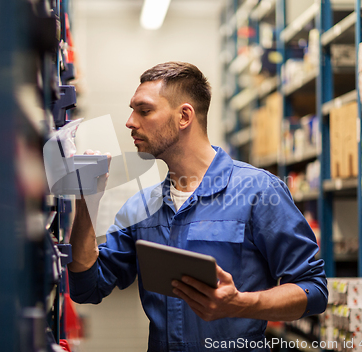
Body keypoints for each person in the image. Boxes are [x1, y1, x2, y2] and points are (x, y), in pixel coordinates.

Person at [68, 62, 327, 352]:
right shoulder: (142, 206)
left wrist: (241, 304)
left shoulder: (259, 192)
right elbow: (86, 287)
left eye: (144, 110)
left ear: (184, 116)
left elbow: (313, 290)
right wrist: (86, 202)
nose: (130, 122)